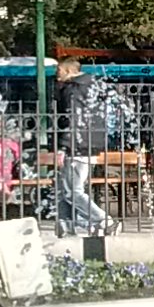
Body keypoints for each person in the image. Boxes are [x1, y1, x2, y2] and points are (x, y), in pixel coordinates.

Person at [53, 57, 115, 237]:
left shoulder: (74, 90)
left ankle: (103, 220)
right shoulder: (93, 86)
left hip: (77, 145)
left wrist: (63, 147)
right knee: (65, 189)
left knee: (73, 191)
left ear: (68, 71)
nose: (57, 77)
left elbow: (73, 119)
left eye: (59, 72)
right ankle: (66, 226)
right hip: (92, 143)